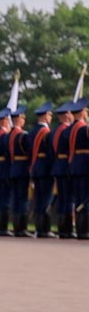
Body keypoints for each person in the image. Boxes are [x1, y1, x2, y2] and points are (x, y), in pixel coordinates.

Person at [28, 103, 56, 238]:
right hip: (45, 168)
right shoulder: (46, 132)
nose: (51, 117)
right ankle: (44, 229)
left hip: (36, 167)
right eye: (50, 115)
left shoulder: (32, 132)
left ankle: (39, 228)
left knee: (39, 198)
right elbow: (51, 152)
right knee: (46, 198)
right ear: (45, 116)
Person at [51, 101, 75, 238]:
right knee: (68, 198)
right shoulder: (67, 131)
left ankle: (62, 229)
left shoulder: (54, 131)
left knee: (62, 198)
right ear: (67, 115)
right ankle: (67, 229)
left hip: (58, 165)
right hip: (67, 166)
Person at [8, 105, 31, 237]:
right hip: (22, 169)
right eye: (23, 118)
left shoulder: (8, 136)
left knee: (16, 198)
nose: (24, 121)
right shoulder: (22, 135)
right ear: (19, 119)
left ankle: (16, 227)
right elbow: (29, 152)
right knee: (22, 199)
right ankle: (21, 228)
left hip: (12, 168)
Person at [67, 99, 89, 239]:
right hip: (85, 165)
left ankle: (81, 230)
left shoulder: (68, 129)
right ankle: (85, 230)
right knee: (85, 198)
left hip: (74, 164)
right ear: (81, 113)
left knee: (79, 198)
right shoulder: (84, 128)